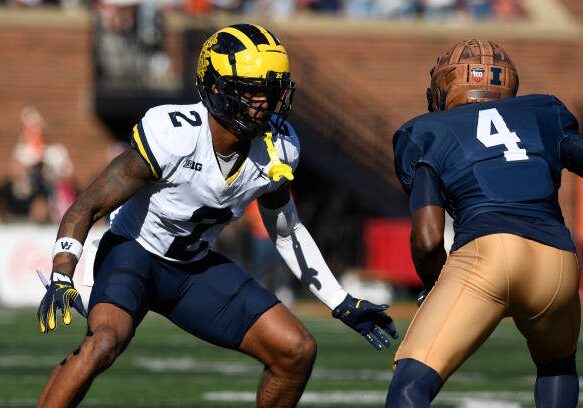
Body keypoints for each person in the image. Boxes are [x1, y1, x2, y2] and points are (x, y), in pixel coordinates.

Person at [36, 23, 398, 408]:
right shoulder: (174, 135)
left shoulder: (278, 147)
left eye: (269, 89)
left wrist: (339, 300)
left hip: (193, 270)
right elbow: (87, 205)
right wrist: (62, 273)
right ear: (215, 88)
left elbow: (286, 230)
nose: (263, 101)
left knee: (296, 350)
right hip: (134, 255)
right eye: (250, 89)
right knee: (104, 342)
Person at [387, 38, 582, 407]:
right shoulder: (543, 112)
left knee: (411, 384)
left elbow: (428, 239)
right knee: (557, 366)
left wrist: (433, 285)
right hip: (557, 261)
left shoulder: (428, 130)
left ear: (446, 86)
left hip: (488, 252)